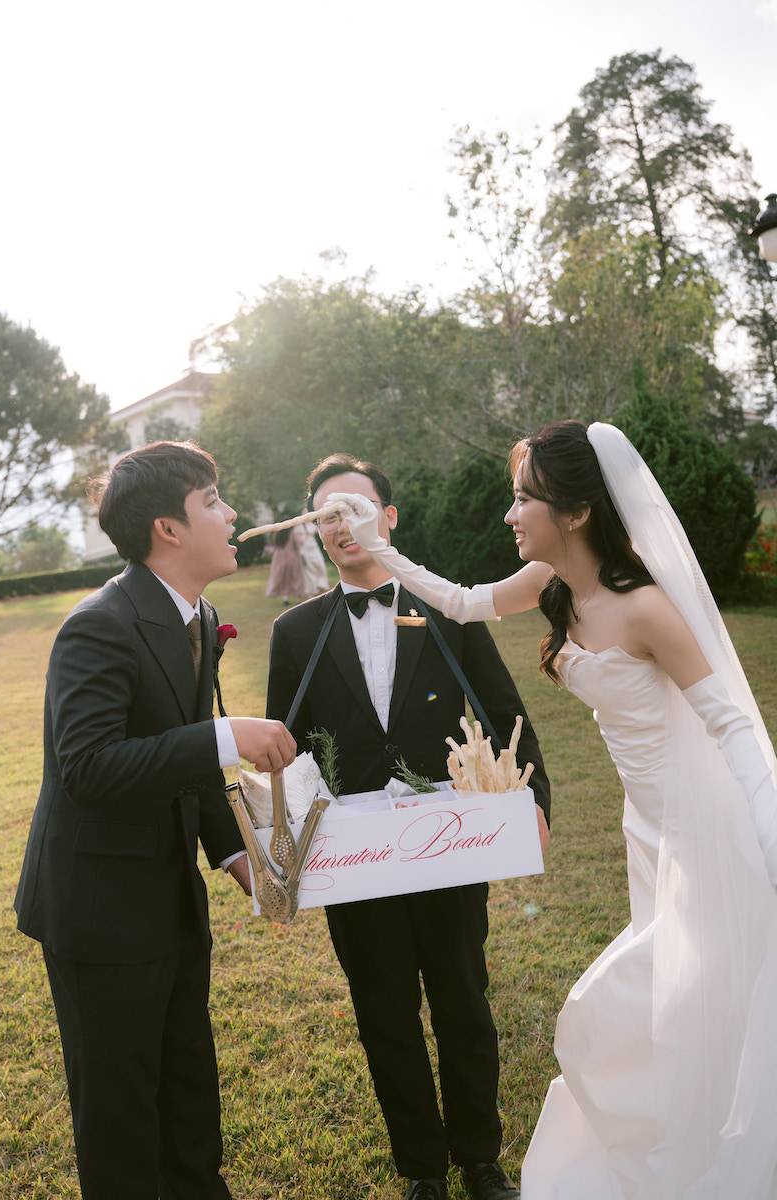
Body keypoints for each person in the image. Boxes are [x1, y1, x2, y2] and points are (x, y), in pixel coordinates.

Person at [330, 421, 777, 1199]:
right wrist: (380, 549)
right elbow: (464, 605)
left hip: (706, 832)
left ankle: (720, 1158)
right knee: (686, 998)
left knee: (659, 1004)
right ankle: (687, 1135)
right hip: (646, 830)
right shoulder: (553, 583)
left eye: (523, 499)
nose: (510, 514)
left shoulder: (645, 609)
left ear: (575, 512)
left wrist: (768, 829)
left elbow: (734, 725)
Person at [265, 452, 551, 1200]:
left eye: (358, 508)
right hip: (354, 860)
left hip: (450, 845)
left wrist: (537, 803)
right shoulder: (296, 632)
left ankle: (480, 1159)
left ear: (390, 520)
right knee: (384, 1012)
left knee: (463, 999)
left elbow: (502, 708)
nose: (343, 524)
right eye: (327, 514)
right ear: (317, 533)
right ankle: (422, 1168)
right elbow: (285, 752)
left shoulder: (447, 611)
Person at [14, 440, 296, 1200]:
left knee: (188, 1093)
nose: (232, 513)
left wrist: (237, 859)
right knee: (120, 1118)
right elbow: (90, 769)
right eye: (214, 501)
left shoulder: (197, 614)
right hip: (99, 912)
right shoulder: (98, 625)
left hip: (170, 901)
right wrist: (227, 735)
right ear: (168, 529)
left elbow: (186, 758)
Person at [265, 526, 307, 606]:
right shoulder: (292, 532)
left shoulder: (276, 534)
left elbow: (275, 545)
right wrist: (304, 537)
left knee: (284, 578)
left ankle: (285, 598)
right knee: (296, 577)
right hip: (292, 557)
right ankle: (298, 599)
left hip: (279, 558)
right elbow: (300, 542)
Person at [294, 514, 329, 594]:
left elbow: (321, 530)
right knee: (308, 571)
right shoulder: (299, 526)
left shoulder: (313, 525)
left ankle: (321, 585)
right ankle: (311, 591)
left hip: (313, 547)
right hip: (304, 549)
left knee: (320, 565)